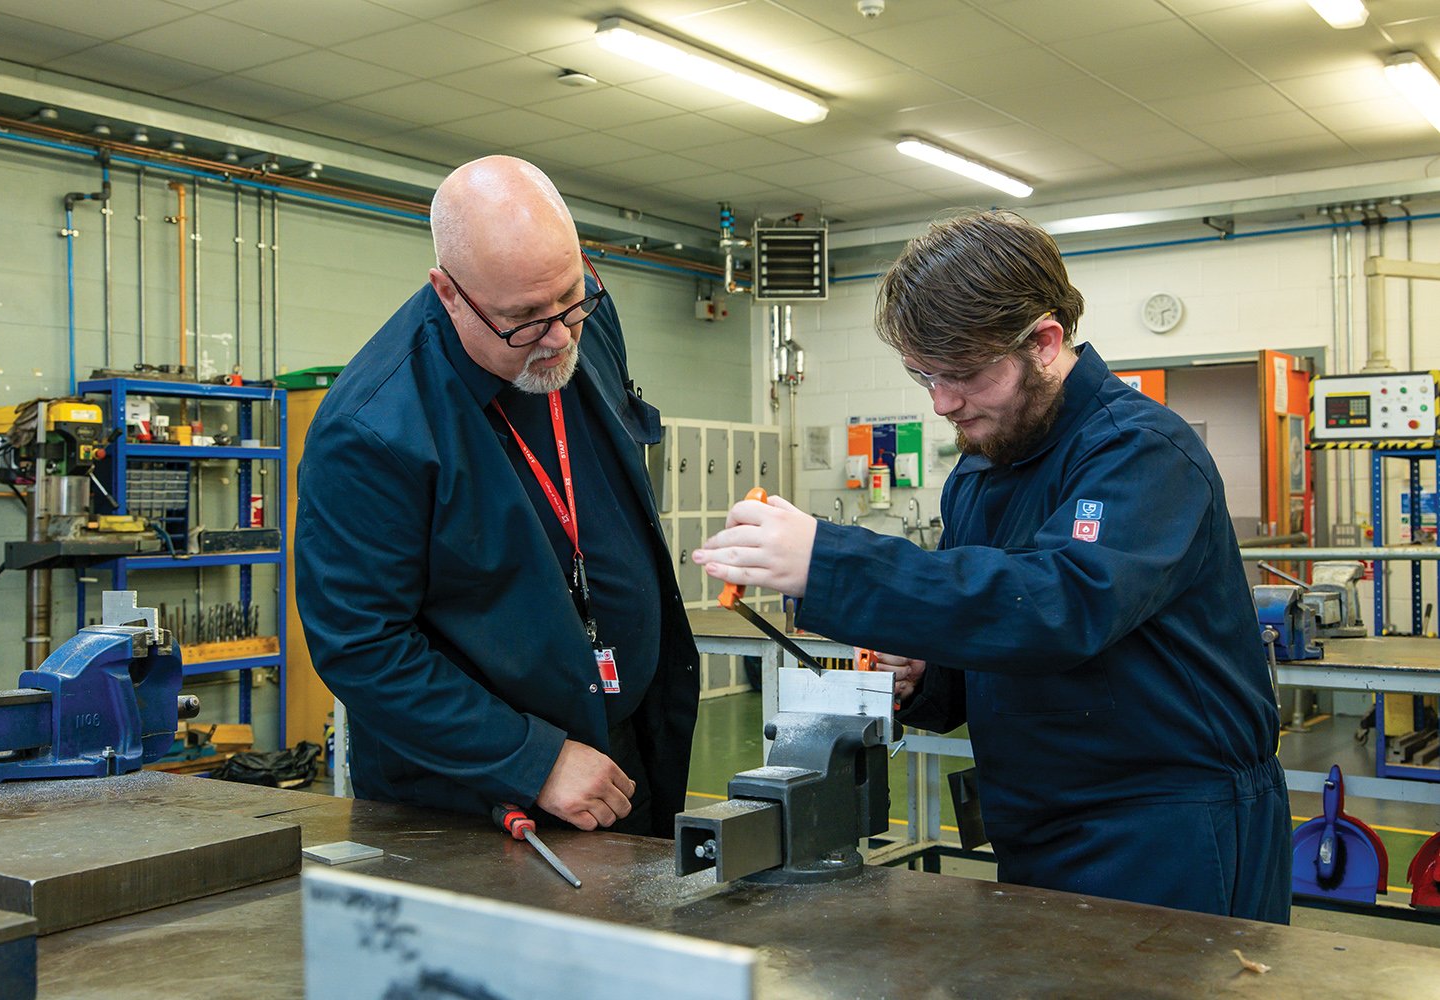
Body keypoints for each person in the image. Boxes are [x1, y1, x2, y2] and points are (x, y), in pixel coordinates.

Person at [694, 210, 1292, 921]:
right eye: (923, 375)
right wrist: (924, 678)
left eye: (963, 375)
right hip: (1036, 818)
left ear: (1043, 341)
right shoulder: (982, 467)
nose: (943, 403)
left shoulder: (1142, 452)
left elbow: (1058, 606)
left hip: (1169, 826)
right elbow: (991, 636)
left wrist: (830, 561)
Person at [296, 155, 699, 837]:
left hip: (623, 746)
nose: (559, 337)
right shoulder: (370, 429)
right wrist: (530, 760)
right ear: (449, 293)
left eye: (571, 301)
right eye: (523, 321)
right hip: (475, 795)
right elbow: (361, 645)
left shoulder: (579, 318)